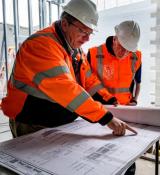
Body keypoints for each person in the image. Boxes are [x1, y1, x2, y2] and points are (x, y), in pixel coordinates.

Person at [1, 0, 136, 138]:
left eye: (90, 33)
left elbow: (90, 82)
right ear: (65, 24)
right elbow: (66, 89)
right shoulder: (41, 46)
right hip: (31, 123)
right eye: (83, 31)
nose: (87, 39)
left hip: (57, 124)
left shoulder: (76, 50)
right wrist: (106, 117)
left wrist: (109, 101)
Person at [87, 20, 142, 106]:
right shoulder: (93, 54)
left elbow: (138, 82)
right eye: (121, 47)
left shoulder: (136, 57)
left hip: (125, 108)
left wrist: (135, 100)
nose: (124, 53)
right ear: (114, 39)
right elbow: (87, 83)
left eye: (128, 50)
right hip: (101, 107)